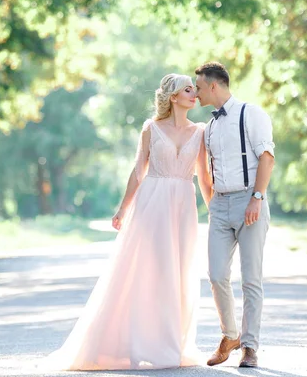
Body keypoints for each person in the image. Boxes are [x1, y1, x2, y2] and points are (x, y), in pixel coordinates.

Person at [42, 73, 213, 370]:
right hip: (152, 202)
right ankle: (133, 343)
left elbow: (204, 178)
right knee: (147, 271)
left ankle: (172, 346)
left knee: (179, 273)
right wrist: (123, 209)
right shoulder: (151, 128)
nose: (194, 93)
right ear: (173, 97)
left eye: (193, 89)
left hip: (183, 207)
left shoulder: (200, 131)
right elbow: (138, 173)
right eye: (188, 89)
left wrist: (215, 212)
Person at [195, 62, 275, 368]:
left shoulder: (251, 114)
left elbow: (266, 158)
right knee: (216, 276)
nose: (197, 93)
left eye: (199, 87)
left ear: (213, 86)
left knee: (251, 279)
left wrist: (257, 197)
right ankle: (230, 336)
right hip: (220, 205)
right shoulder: (210, 127)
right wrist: (212, 203)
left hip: (249, 201)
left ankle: (250, 346)